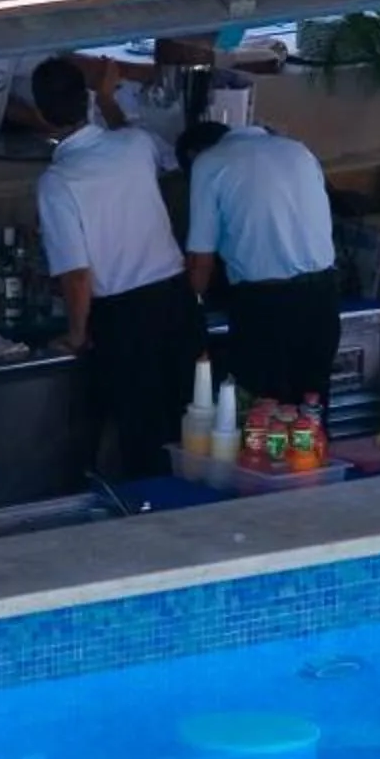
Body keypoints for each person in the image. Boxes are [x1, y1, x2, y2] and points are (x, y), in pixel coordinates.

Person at [31, 55, 202, 477]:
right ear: (85, 98)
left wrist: (75, 334)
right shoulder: (134, 145)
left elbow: (76, 277)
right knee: (194, 429)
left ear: (40, 114)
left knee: (144, 442)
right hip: (179, 304)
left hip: (126, 321)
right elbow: (135, 137)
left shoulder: (58, 182)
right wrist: (107, 98)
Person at [180, 119, 340, 405]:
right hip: (324, 298)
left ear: (194, 154)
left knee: (264, 415)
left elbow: (200, 263)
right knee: (311, 415)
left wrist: (188, 307)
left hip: (267, 305)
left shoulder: (208, 163)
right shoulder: (298, 151)